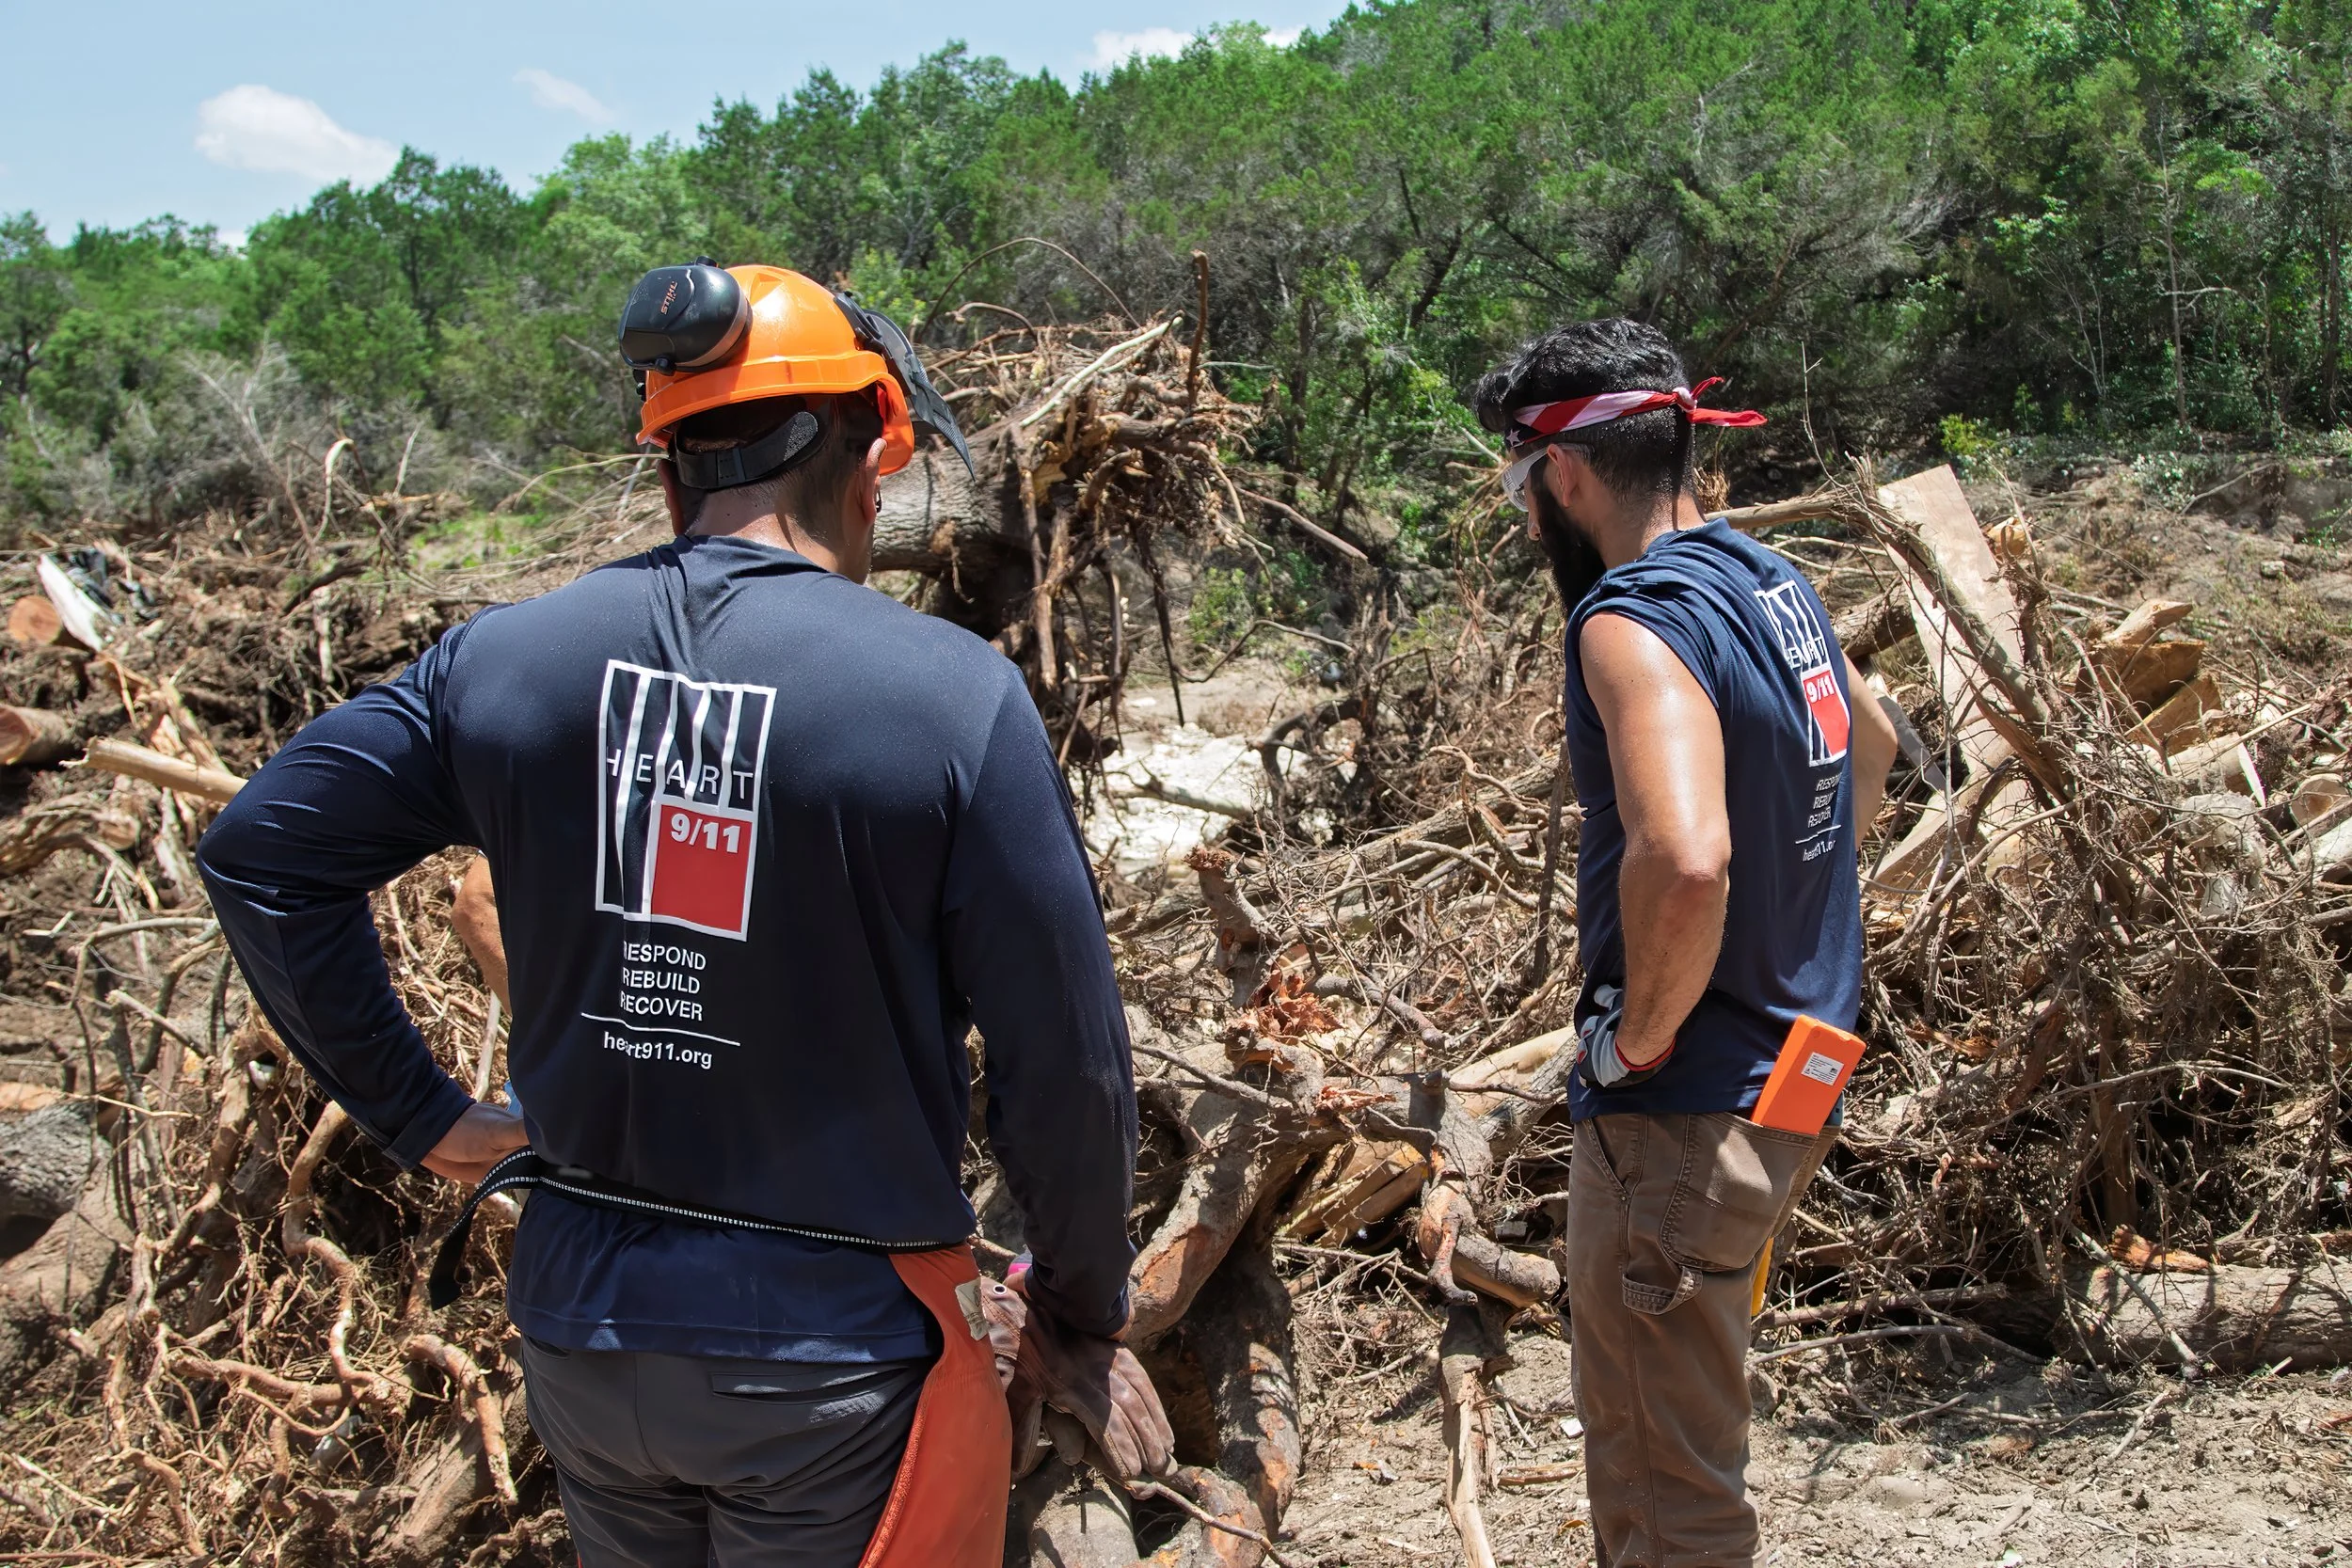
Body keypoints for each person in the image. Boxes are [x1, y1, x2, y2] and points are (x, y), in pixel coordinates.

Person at [199, 261, 1172, 1568]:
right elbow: (1066, 1060)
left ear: (669, 471)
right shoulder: (951, 699)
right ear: (867, 451)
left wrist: (420, 1115)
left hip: (585, 1341)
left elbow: (263, 852)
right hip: (844, 1363)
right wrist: (1077, 1305)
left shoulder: (503, 662)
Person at [1469, 320, 1897, 1568]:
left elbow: (1687, 855)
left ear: (1565, 476)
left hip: (1685, 1113)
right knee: (1698, 1429)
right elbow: (1866, 750)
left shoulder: (1627, 620)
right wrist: (1799, 918)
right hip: (1797, 1077)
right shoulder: (1777, 582)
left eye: (1520, 484)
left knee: (1668, 1496)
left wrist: (1635, 1036)